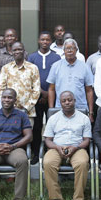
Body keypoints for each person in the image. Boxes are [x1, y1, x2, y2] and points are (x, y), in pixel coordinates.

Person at [43, 91, 91, 200]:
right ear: (60, 103)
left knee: (82, 163)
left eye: (70, 100)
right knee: (48, 162)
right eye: (64, 101)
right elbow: (47, 140)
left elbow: (87, 140)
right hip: (56, 148)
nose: (67, 102)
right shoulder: (53, 118)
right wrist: (58, 148)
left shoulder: (84, 118)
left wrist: (75, 148)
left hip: (77, 148)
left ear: (74, 101)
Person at [28, 31, 61, 164]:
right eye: (42, 40)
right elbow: (29, 78)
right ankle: (36, 153)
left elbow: (59, 78)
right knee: (36, 126)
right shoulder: (32, 57)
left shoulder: (57, 57)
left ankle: (51, 151)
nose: (45, 42)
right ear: (38, 41)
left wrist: (49, 94)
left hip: (53, 97)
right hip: (36, 98)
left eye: (47, 40)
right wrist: (41, 92)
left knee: (53, 125)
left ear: (50, 41)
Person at [47, 39, 94, 121]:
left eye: (72, 48)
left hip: (80, 108)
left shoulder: (85, 67)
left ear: (76, 50)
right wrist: (51, 110)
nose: (69, 50)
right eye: (67, 48)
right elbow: (51, 89)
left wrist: (90, 112)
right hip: (60, 109)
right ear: (63, 51)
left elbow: (89, 91)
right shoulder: (56, 66)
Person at [0, 42, 40, 125]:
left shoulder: (33, 68)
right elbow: (1, 89)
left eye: (19, 49)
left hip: (28, 113)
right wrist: (9, 106)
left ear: (24, 51)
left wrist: (26, 107)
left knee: (27, 137)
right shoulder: (6, 68)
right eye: (15, 50)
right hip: (9, 112)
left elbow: (36, 90)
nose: (17, 52)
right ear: (12, 52)